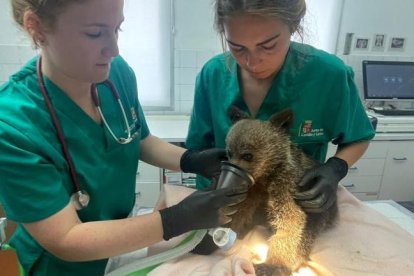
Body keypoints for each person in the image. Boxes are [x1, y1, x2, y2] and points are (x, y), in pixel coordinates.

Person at [0, 0, 248, 275]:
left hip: (120, 247)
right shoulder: (11, 124)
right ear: (36, 27)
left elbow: (139, 139)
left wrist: (191, 160)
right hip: (63, 267)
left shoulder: (115, 73)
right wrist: (176, 219)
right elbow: (66, 239)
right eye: (95, 34)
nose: (114, 49)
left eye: (117, 29)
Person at [186, 0, 375, 213]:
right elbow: (197, 147)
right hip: (226, 203)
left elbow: (358, 137)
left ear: (293, 25)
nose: (252, 62)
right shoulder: (213, 75)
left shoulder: (329, 75)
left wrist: (335, 168)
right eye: (237, 48)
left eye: (268, 46)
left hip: (290, 206)